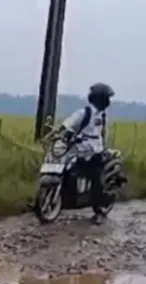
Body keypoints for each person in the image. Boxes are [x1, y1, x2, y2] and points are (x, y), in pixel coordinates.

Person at [60, 82, 115, 225]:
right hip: (79, 149)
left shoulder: (102, 115)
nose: (108, 102)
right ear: (99, 99)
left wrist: (104, 148)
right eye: (106, 98)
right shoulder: (85, 112)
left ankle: (99, 212)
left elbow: (103, 133)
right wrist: (64, 134)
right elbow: (67, 124)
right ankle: (65, 199)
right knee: (66, 172)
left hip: (95, 152)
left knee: (96, 179)